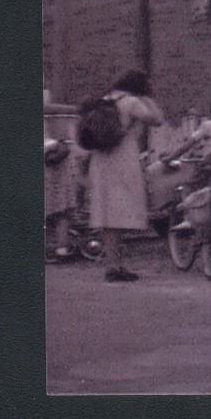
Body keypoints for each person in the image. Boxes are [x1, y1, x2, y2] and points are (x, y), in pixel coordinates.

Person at [87, 71, 164, 282]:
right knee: (121, 210)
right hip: (123, 157)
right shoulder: (131, 102)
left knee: (107, 213)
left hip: (100, 158)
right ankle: (116, 265)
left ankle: (112, 265)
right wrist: (148, 98)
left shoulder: (103, 100)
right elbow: (157, 120)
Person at [44, 136, 79, 262]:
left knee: (53, 213)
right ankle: (61, 249)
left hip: (54, 166)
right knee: (61, 212)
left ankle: (52, 248)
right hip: (57, 165)